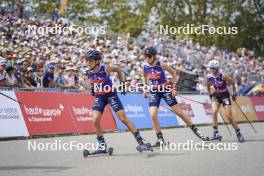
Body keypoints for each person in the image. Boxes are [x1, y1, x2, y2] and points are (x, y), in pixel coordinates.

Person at [85, 49, 152, 153]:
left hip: (111, 94)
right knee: (95, 120)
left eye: (90, 60)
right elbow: (94, 81)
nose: (87, 62)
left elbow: (118, 70)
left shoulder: (105, 68)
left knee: (123, 118)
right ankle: (102, 146)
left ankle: (141, 142)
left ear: (97, 61)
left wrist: (123, 84)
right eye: (86, 60)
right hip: (100, 96)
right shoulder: (88, 72)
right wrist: (93, 90)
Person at [142, 47, 207, 147]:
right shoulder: (145, 66)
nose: (146, 58)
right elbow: (144, 76)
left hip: (164, 90)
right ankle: (160, 140)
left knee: (179, 112)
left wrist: (173, 85)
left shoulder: (161, 64)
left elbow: (174, 73)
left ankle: (197, 131)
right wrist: (145, 88)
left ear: (153, 57)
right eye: (145, 56)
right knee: (152, 115)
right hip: (154, 91)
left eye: (148, 56)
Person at [206, 60, 245, 142]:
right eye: (211, 69)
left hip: (224, 95)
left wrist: (234, 93)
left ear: (217, 68)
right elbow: (208, 85)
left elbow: (232, 82)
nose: (212, 70)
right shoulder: (209, 77)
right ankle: (215, 133)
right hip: (216, 95)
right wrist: (210, 94)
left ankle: (238, 132)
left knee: (228, 115)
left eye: (213, 69)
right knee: (214, 112)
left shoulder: (223, 76)